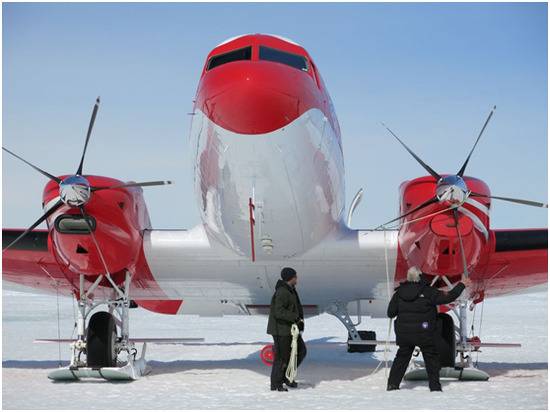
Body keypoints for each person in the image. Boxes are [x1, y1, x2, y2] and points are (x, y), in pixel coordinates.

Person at [386, 266, 470, 392]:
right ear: (420, 277)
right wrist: (462, 284)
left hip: (404, 334)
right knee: (431, 358)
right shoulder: (428, 291)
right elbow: (449, 297)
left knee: (402, 358)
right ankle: (435, 387)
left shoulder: (399, 293)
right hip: (424, 333)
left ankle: (392, 385)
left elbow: (391, 313)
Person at [267, 267, 307, 391]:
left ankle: (286, 376)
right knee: (281, 357)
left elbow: (295, 307)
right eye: (295, 276)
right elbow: (278, 312)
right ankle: (276, 384)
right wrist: (295, 318)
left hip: (290, 328)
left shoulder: (291, 290)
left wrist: (299, 321)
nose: (297, 278)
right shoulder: (282, 292)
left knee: (301, 351)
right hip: (281, 330)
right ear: (291, 278)